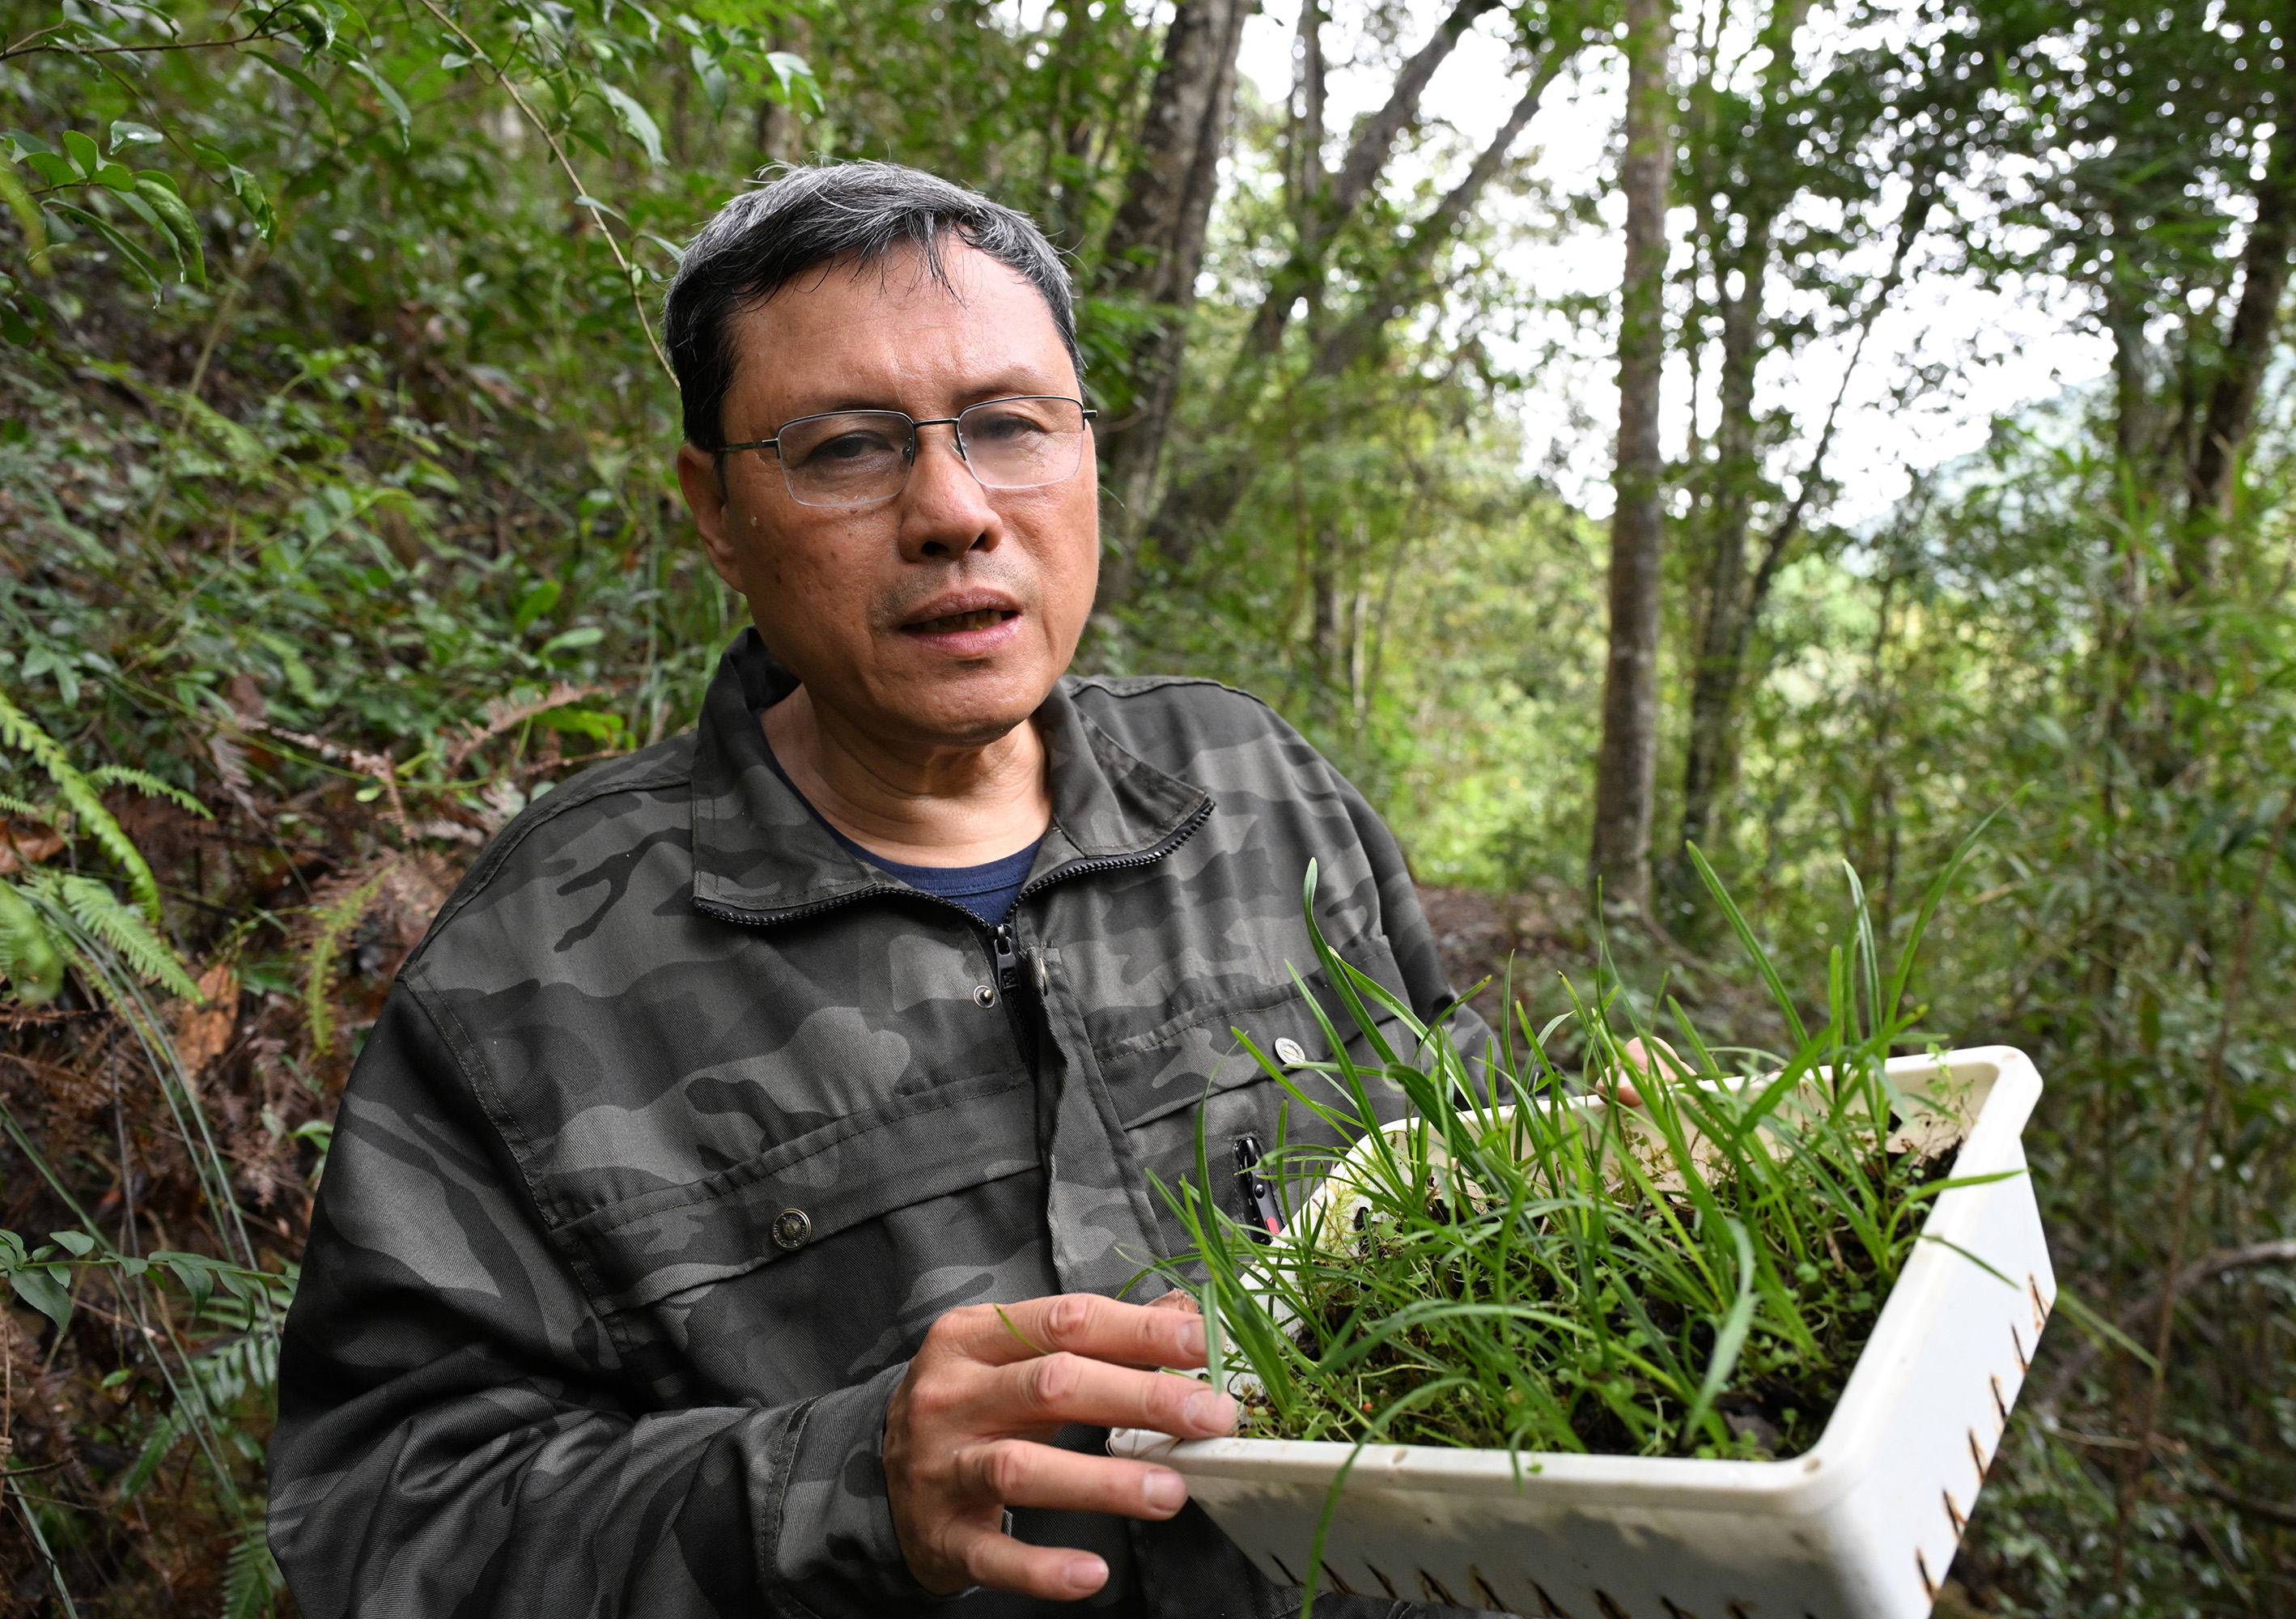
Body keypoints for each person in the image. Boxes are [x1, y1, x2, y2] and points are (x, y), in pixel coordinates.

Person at [266, 161, 1492, 1617]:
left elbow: (1474, 1167)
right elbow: (389, 1517)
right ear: (717, 513)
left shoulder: (1254, 789)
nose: (954, 511)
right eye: (847, 449)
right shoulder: (533, 969)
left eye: (1008, 427)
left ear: (1087, 452)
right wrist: (844, 1484)